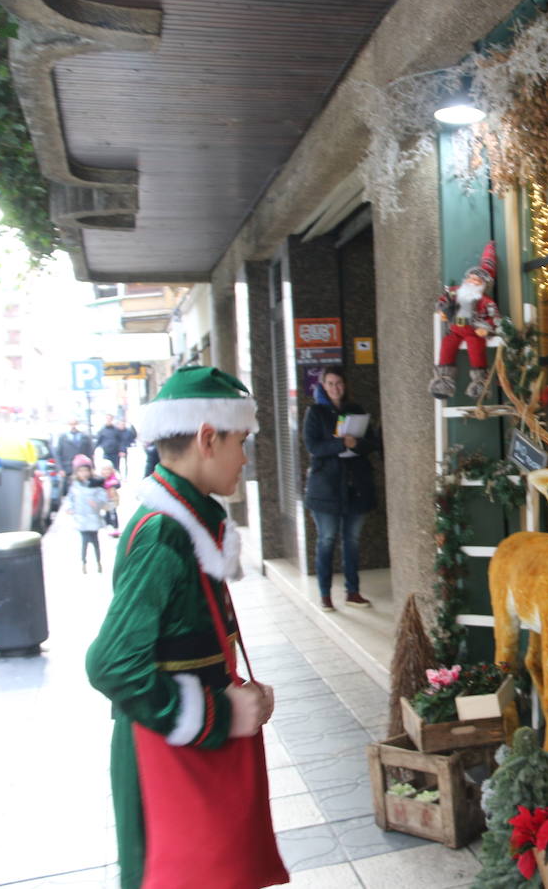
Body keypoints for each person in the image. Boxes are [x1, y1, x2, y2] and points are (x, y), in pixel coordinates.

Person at [86, 365, 286, 889]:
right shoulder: (164, 536)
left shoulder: (187, 521)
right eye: (240, 441)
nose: (245, 457)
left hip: (187, 755)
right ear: (206, 438)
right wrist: (216, 712)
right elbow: (110, 665)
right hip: (168, 765)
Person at [302, 366, 381, 611]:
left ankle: (353, 591)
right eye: (331, 383)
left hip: (355, 486)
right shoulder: (315, 412)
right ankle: (325, 594)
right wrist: (340, 444)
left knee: (352, 541)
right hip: (325, 488)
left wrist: (356, 444)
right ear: (323, 386)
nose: (336, 388)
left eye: (339, 383)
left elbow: (371, 444)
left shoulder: (355, 410)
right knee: (326, 540)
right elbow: (313, 447)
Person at [429, 240, 501, 400]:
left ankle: (479, 384)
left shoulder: (486, 302)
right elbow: (443, 301)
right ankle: (442, 382)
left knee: (476, 350)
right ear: (466, 279)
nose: (473, 281)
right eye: (471, 278)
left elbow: (495, 318)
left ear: (484, 285)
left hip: (473, 332)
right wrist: (442, 310)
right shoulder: (455, 292)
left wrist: (487, 328)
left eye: (478, 280)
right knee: (447, 347)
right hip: (454, 330)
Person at [67, 454, 110, 573]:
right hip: (80, 519)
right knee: (84, 542)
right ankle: (84, 562)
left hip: (93, 518)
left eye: (86, 470)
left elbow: (103, 499)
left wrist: (96, 503)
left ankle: (98, 562)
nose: (84, 473)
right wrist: (70, 508)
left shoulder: (96, 484)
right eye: (80, 471)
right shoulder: (75, 485)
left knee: (95, 542)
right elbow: (70, 498)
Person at [55, 419, 94, 495]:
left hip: (82, 468)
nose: (73, 426)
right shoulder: (63, 438)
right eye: (71, 424)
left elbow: (90, 453)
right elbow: (58, 454)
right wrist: (60, 469)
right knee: (69, 491)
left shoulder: (85, 437)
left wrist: (91, 467)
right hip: (68, 468)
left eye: (75, 424)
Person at [97, 458, 122, 537]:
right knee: (106, 513)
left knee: (113, 512)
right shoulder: (99, 479)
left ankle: (115, 527)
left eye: (108, 470)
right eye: (104, 470)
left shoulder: (114, 478)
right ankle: (108, 525)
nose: (106, 472)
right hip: (104, 499)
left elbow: (118, 484)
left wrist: (113, 485)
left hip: (112, 499)